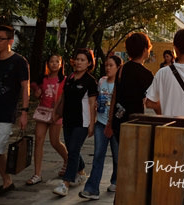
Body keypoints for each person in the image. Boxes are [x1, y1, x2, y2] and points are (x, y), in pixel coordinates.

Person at [0, 25, 30, 196]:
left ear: (10, 41)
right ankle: (7, 182)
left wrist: (24, 111)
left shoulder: (19, 62)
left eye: (0, 39)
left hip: (6, 114)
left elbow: (25, 87)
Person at [52, 49, 97, 197]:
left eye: (82, 60)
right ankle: (81, 170)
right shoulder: (70, 77)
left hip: (82, 122)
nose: (78, 62)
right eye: (77, 59)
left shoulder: (90, 81)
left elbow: (92, 104)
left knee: (73, 150)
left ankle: (65, 183)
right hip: (68, 119)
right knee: (72, 150)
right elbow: (63, 96)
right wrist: (56, 112)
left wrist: (91, 123)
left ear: (89, 63)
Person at [80, 55, 122, 200]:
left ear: (118, 67)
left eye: (111, 65)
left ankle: (116, 181)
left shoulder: (121, 84)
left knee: (117, 157)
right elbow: (96, 98)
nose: (108, 68)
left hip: (115, 126)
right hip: (101, 123)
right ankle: (92, 189)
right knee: (98, 155)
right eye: (106, 65)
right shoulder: (102, 81)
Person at [27, 54, 68, 186]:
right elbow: (33, 86)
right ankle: (37, 173)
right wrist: (36, 91)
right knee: (38, 140)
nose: (54, 64)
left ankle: (69, 161)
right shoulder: (43, 78)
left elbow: (64, 98)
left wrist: (58, 114)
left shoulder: (64, 80)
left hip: (56, 114)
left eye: (57, 62)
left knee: (55, 142)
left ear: (61, 64)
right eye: (52, 61)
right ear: (47, 63)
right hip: (43, 112)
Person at [105, 32, 155, 143]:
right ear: (144, 50)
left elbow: (114, 95)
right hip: (136, 120)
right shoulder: (147, 75)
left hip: (119, 120)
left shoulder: (122, 69)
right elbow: (152, 101)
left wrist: (110, 121)